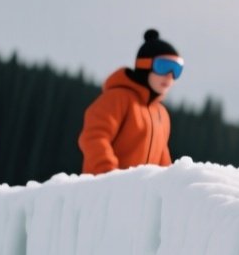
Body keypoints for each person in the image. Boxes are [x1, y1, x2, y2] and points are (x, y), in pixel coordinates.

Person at [78, 29, 184, 175]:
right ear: (144, 66)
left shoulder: (161, 114)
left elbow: (163, 160)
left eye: (177, 69)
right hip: (104, 192)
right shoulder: (117, 98)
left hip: (138, 195)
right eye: (164, 66)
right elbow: (94, 137)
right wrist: (108, 174)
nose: (170, 76)